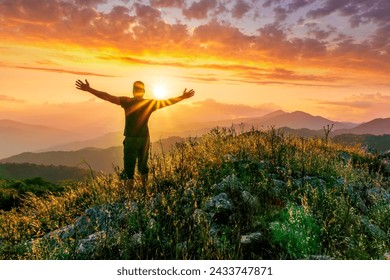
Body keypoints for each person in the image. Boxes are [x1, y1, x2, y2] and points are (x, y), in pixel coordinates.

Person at [75, 79, 195, 194]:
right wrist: (182, 97)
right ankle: (144, 191)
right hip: (144, 139)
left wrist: (89, 89)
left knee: (129, 170)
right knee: (143, 166)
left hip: (131, 139)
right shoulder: (149, 103)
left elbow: (107, 96)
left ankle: (130, 196)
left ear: (133, 91)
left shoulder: (127, 102)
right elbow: (168, 101)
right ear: (143, 92)